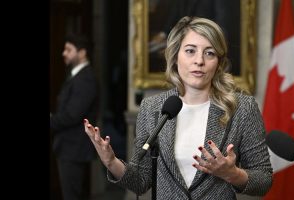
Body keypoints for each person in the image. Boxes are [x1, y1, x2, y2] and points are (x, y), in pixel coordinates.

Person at [84, 16, 273, 199]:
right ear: (175, 56)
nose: (199, 60)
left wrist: (232, 173)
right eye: (190, 51)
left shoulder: (242, 109)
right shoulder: (152, 108)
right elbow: (141, 181)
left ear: (218, 62)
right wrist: (111, 161)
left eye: (209, 53)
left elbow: (264, 181)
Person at [50, 33, 98, 200]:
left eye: (68, 49)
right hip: (68, 147)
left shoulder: (86, 79)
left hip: (74, 149)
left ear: (82, 53)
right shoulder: (76, 75)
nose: (64, 53)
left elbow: (72, 115)